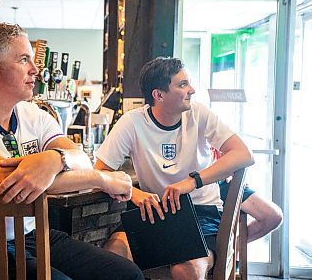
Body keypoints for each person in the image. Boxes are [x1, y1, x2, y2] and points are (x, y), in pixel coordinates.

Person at [0, 23, 143, 280]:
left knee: (126, 274)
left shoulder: (33, 115)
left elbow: (80, 159)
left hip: (31, 236)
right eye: (23, 59)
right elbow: (8, 183)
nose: (35, 69)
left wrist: (54, 159)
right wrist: (101, 178)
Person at [94, 57, 255, 280]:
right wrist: (136, 194)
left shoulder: (199, 114)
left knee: (185, 270)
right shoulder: (132, 122)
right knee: (112, 258)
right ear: (158, 95)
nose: (192, 90)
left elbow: (243, 154)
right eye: (182, 85)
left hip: (201, 212)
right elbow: (100, 171)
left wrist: (192, 182)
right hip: (154, 213)